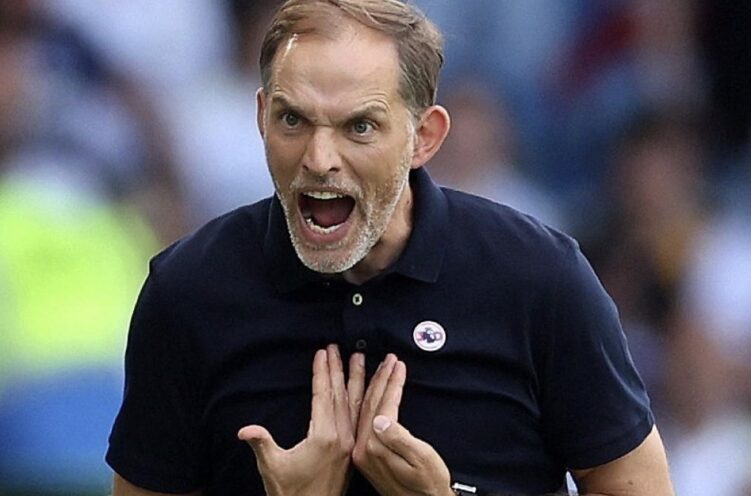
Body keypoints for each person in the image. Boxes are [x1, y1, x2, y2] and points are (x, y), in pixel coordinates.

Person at [106, 0, 674, 494]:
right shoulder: (187, 292)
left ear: (424, 137)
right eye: (293, 119)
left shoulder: (540, 278)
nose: (319, 159)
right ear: (260, 118)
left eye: (359, 127)